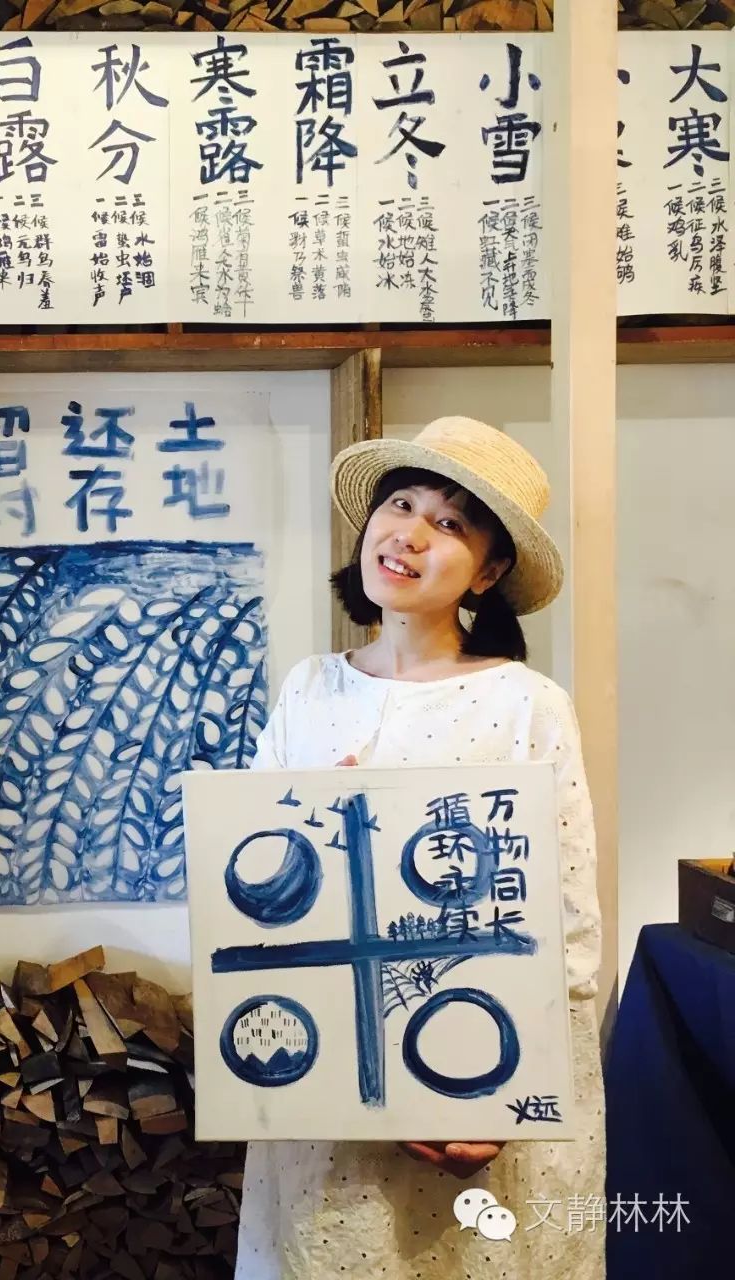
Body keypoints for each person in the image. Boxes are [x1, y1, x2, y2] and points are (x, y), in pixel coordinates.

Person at [235, 417, 603, 1279]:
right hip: (334, 1092)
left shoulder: (528, 704)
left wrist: (499, 1095)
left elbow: (569, 925)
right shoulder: (309, 691)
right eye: (400, 504)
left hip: (486, 1081)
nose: (409, 534)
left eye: (449, 522)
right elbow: (253, 898)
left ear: (490, 571)